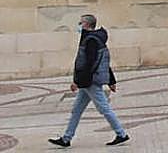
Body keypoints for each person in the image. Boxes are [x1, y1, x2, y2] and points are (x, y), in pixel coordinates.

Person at [48, 14, 129, 147]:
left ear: (86, 24)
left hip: (91, 81)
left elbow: (90, 64)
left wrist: (77, 82)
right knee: (76, 110)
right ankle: (66, 138)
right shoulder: (92, 38)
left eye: (81, 23)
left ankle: (121, 134)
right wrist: (111, 80)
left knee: (104, 108)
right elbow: (103, 60)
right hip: (87, 82)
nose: (79, 25)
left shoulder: (91, 40)